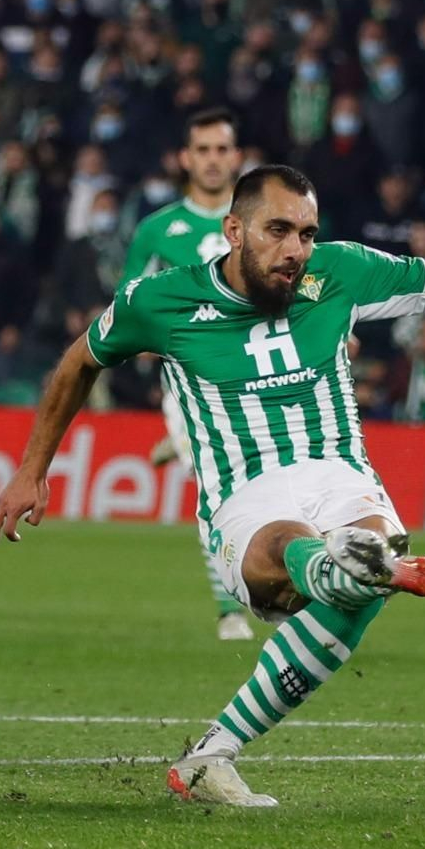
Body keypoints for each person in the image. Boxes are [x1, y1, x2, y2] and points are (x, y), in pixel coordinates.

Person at [0, 164, 425, 807]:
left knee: (360, 562)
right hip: (245, 491)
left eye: (306, 232)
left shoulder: (338, 273)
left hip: (340, 474)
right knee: (294, 548)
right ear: (235, 231)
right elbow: (80, 361)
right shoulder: (160, 302)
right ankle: (344, 567)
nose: (296, 248)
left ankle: (214, 748)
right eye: (278, 229)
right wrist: (31, 468)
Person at [122, 107, 251, 641]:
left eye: (222, 149)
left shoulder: (262, 221)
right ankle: (230, 610)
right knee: (214, 487)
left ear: (237, 157)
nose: (214, 160)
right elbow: (128, 305)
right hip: (189, 382)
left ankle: (175, 445)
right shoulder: (157, 231)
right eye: (203, 150)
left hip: (257, 375)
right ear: (185, 158)